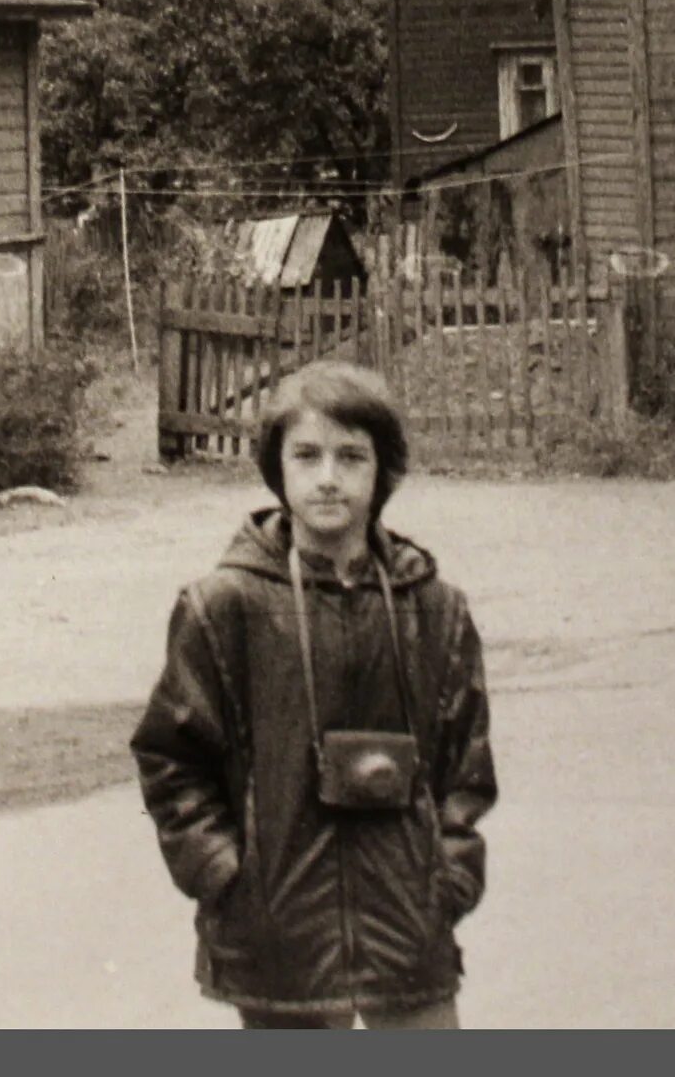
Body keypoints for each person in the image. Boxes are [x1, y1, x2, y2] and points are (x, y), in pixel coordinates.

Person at [131, 361, 496, 1029]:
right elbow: (170, 759)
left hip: (408, 931)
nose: (328, 477)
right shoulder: (224, 607)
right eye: (307, 455)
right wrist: (225, 877)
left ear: (382, 471)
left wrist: (449, 878)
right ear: (278, 467)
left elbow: (464, 763)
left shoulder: (434, 609)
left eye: (351, 456)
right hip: (280, 937)